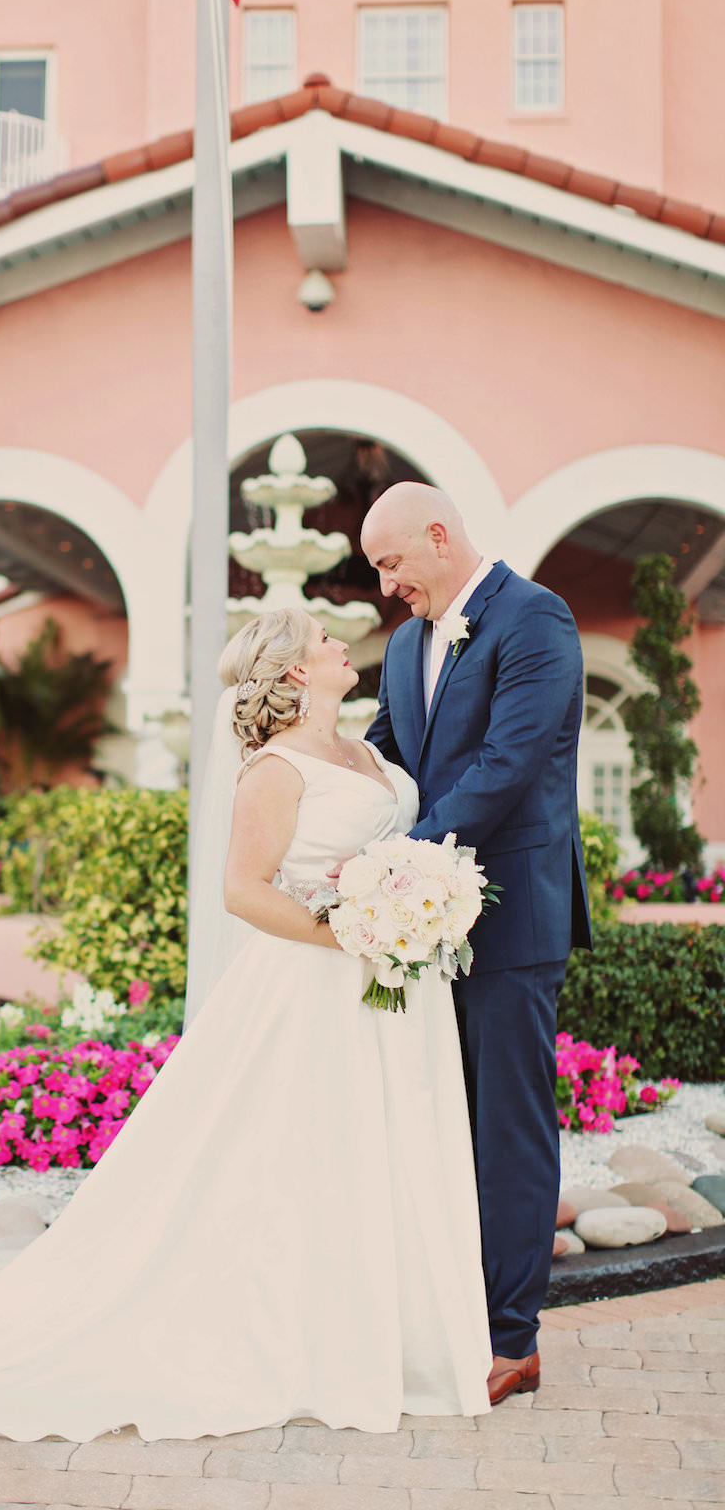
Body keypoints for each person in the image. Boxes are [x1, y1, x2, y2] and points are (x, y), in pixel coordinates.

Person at [0, 607, 491, 1441]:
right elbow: (245, 889)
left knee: (373, 1149)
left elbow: (392, 846)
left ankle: (386, 1334)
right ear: (297, 671)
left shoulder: (367, 751)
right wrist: (354, 929)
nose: (343, 644)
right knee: (298, 1156)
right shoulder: (275, 769)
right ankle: (304, 1338)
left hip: (392, 988)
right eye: (327, 640)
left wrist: (413, 902)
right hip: (314, 984)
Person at [361, 482, 591, 1406]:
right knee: (438, 1122)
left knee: (508, 1127)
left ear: (439, 536)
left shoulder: (536, 619)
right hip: (424, 925)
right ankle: (455, 1312)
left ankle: (513, 1340)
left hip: (511, 917)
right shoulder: (408, 643)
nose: (387, 588)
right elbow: (384, 755)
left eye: (391, 564)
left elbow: (509, 762)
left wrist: (395, 864)